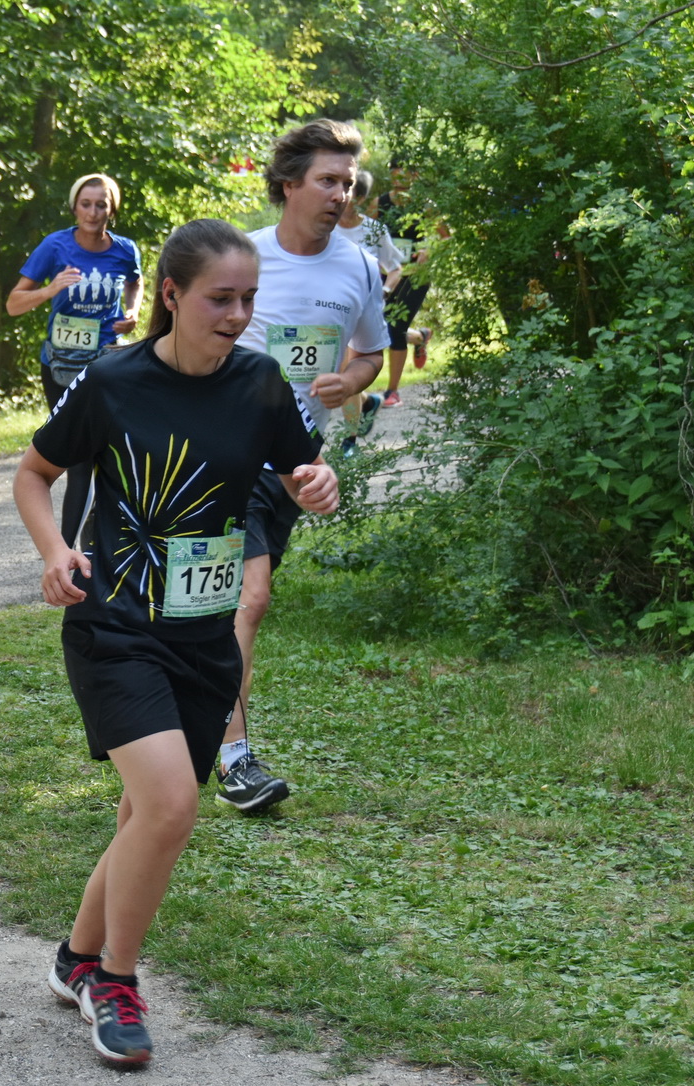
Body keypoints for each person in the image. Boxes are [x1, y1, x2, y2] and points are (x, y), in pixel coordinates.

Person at [15, 219, 338, 1065]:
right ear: (170, 295)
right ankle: (115, 980)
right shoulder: (114, 381)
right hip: (115, 626)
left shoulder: (261, 383)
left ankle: (76, 958)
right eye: (219, 299)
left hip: (204, 639)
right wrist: (56, 551)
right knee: (169, 805)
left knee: (141, 814)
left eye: (248, 300)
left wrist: (317, 482)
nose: (237, 315)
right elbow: (32, 473)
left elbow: (298, 471)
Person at [222, 120, 391, 812]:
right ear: (288, 183)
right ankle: (233, 755)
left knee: (221, 602)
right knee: (249, 597)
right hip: (225, 451)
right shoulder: (242, 257)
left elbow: (371, 351)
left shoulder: (359, 266)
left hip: (294, 464)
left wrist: (349, 384)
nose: (339, 194)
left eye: (347, 183)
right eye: (327, 179)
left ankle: (177, 706)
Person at [7, 174, 143, 411]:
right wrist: (50, 290)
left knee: (104, 435)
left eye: (101, 205)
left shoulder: (125, 250)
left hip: (107, 358)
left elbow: (135, 282)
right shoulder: (54, 246)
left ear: (112, 211)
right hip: (61, 362)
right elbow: (13, 305)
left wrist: (132, 312)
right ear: (74, 208)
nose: (92, 213)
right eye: (85, 204)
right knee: (65, 441)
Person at [332, 169, 403, 453]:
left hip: (364, 312)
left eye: (349, 193)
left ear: (360, 197)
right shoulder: (326, 228)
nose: (341, 199)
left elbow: (395, 268)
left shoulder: (374, 230)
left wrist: (384, 292)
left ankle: (349, 441)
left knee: (347, 374)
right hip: (332, 311)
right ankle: (369, 402)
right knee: (339, 377)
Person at [378, 163, 438, 407]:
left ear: (415, 175)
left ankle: (392, 391)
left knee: (395, 326)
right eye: (395, 171)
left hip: (415, 277)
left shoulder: (425, 205)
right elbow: (365, 232)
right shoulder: (380, 203)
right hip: (386, 275)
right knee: (383, 325)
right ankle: (420, 337)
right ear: (390, 172)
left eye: (405, 172)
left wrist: (429, 246)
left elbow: (444, 235)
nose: (399, 176)